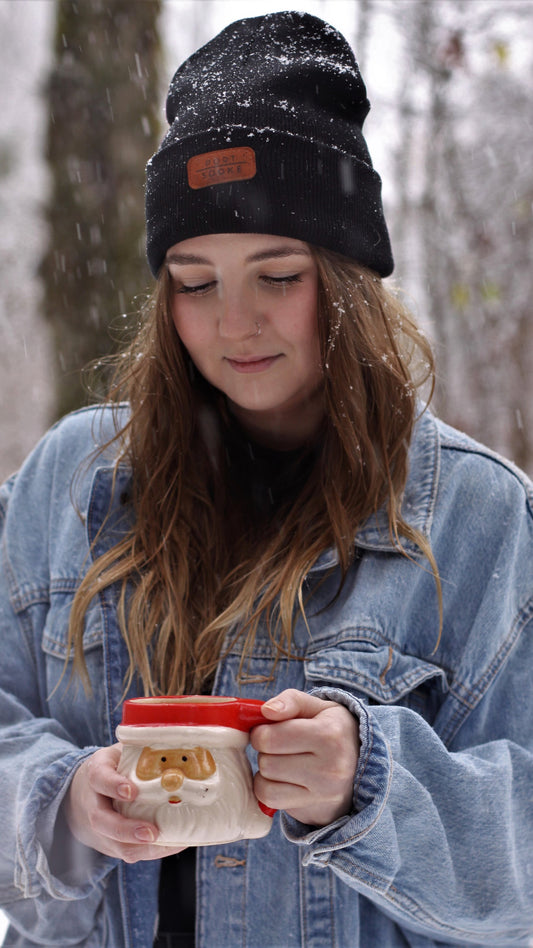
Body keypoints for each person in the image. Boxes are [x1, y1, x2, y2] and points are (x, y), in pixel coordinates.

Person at [0, 10, 532, 948]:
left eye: (276, 275)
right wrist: (60, 804)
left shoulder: (475, 515)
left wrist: (367, 784)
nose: (234, 323)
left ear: (347, 281)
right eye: (194, 282)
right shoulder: (66, 484)